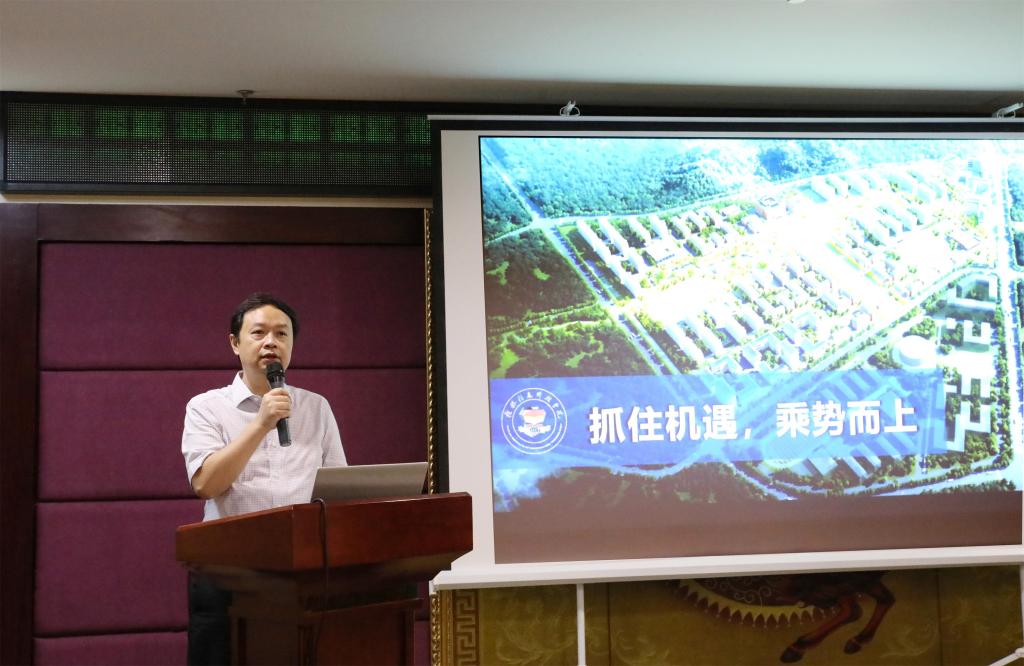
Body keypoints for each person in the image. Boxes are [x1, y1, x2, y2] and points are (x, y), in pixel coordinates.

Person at [181, 293, 346, 665]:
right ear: (235, 343)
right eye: (258, 333)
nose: (271, 342)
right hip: (228, 575)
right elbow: (206, 484)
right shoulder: (206, 407)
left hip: (303, 574)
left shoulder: (316, 407)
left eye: (282, 334)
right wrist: (261, 423)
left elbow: (338, 494)